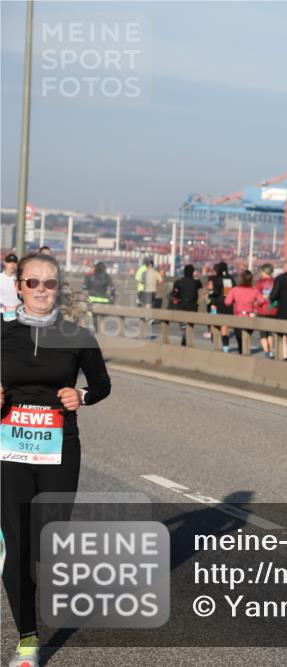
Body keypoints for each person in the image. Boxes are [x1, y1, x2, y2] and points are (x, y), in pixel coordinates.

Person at [1, 253, 111, 667]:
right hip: (9, 446)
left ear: (59, 287)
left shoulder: (77, 336)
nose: (42, 291)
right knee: (18, 545)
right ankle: (28, 639)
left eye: (50, 283)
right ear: (19, 287)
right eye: (33, 283)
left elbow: (102, 384)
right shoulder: (1, 333)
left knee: (46, 543)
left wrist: (80, 396)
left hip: (59, 446)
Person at [225, 270, 265, 355]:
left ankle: (242, 355)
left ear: (241, 279)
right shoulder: (255, 290)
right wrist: (254, 304)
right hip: (250, 317)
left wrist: (234, 301)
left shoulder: (235, 290)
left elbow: (227, 302)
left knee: (240, 341)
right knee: (246, 338)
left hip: (238, 317)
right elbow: (262, 301)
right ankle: (245, 354)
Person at [170, 264, 202, 347]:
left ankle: (184, 337)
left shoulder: (178, 282)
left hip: (181, 305)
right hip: (193, 306)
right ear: (192, 272)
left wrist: (176, 298)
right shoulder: (196, 282)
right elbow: (201, 287)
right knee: (190, 325)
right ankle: (188, 340)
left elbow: (174, 294)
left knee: (183, 324)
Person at [255, 263, 278, 358]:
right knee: (270, 332)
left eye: (261, 271)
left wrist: (258, 304)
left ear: (265, 271)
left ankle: (266, 352)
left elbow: (257, 296)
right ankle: (271, 351)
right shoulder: (276, 281)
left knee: (263, 334)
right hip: (273, 310)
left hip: (262, 310)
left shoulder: (259, 282)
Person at [1, 253, 20, 320]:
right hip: (2, 313)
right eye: (9, 262)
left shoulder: (20, 279)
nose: (12, 265)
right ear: (5, 263)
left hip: (17, 315)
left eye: (14, 262)